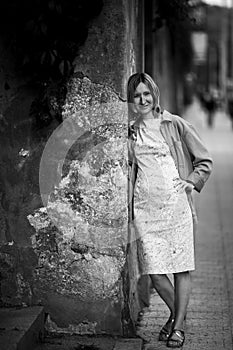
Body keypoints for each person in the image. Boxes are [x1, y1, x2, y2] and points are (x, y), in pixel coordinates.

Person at [127, 73, 213, 348]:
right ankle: (179, 317)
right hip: (145, 209)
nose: (142, 99)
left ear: (155, 95)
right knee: (154, 271)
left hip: (176, 206)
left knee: (181, 268)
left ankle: (177, 328)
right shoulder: (130, 131)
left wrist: (192, 181)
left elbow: (204, 159)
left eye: (146, 94)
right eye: (137, 95)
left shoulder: (174, 123)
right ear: (131, 100)